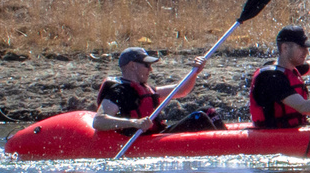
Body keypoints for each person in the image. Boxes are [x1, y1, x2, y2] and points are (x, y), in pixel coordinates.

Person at [90, 47, 222, 135]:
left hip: (157, 134)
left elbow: (181, 90)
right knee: (198, 118)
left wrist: (195, 72)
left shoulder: (146, 88)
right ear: (132, 66)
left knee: (208, 112)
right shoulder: (118, 92)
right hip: (141, 141)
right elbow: (99, 121)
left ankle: (229, 138)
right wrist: (135, 123)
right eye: (147, 65)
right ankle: (223, 146)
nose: (150, 70)